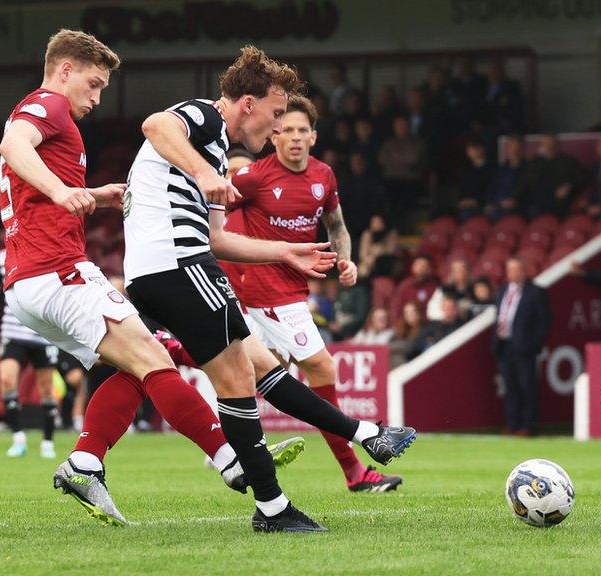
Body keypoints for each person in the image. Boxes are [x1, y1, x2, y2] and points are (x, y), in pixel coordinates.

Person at [122, 47, 414, 530]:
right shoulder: (204, 118)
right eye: (277, 115)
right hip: (176, 265)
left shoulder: (214, 152)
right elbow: (155, 124)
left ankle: (367, 434)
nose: (278, 129)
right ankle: (273, 508)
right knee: (238, 380)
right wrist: (202, 173)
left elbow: (217, 238)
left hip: (180, 264)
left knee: (262, 368)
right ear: (247, 104)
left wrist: (284, 251)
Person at [0, 29, 264, 529]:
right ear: (66, 70)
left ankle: (85, 462)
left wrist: (92, 195)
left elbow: (25, 182)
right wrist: (60, 191)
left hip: (27, 283)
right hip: (57, 271)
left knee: (134, 368)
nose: (97, 99)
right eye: (94, 85)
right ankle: (231, 460)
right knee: (153, 358)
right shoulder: (48, 105)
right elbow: (13, 144)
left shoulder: (52, 116)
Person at [228, 95, 406, 492]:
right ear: (274, 136)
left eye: (301, 130)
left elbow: (336, 226)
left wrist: (346, 260)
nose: (294, 137)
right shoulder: (255, 177)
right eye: (286, 130)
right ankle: (354, 472)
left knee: (256, 373)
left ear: (313, 137)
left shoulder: (324, 176)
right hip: (264, 292)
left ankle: (231, 451)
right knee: (322, 369)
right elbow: (216, 208)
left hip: (294, 291)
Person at [0, 248, 69, 459]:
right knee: (7, 381)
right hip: (12, 333)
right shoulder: (1, 258)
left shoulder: (44, 252)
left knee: (46, 388)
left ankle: (48, 442)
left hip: (41, 334)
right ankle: (18, 439)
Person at [492, 258, 551, 436]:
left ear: (523, 271)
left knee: (527, 387)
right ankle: (511, 423)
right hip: (504, 345)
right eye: (510, 269)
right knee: (510, 387)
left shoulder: (535, 292)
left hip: (525, 348)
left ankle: (528, 425)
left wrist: (533, 344)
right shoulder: (502, 290)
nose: (513, 273)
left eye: (517, 269)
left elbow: (544, 320)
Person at [357, 214, 399, 278]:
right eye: (373, 222)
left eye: (378, 222)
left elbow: (391, 251)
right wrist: (371, 258)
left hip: (387, 264)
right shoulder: (367, 235)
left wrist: (379, 250)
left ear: (383, 223)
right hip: (369, 263)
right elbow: (362, 255)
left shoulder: (391, 234)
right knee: (362, 270)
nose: (375, 225)